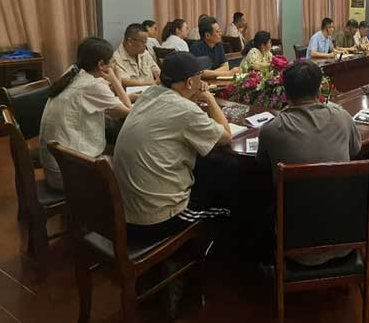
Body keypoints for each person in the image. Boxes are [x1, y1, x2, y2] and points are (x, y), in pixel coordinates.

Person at [113, 52, 236, 242]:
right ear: (190, 82)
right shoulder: (184, 110)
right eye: (200, 76)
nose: (202, 81)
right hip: (157, 219)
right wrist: (208, 98)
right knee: (232, 202)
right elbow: (226, 137)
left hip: (125, 212)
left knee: (207, 167)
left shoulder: (148, 95)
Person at [257, 60, 362, 266]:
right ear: (319, 90)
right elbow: (355, 151)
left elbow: (262, 163)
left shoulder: (271, 129)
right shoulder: (341, 117)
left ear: (285, 93)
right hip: (347, 237)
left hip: (296, 247)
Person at [40, 37, 131, 189]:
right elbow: (128, 112)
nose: (115, 65)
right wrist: (115, 80)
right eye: (113, 61)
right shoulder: (92, 85)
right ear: (101, 65)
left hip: (57, 164)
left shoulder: (73, 72)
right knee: (128, 167)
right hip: (66, 175)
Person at [114, 23, 161, 87]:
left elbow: (157, 72)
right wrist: (151, 83)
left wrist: (159, 77)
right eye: (143, 42)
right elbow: (123, 81)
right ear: (130, 41)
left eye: (146, 42)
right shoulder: (116, 58)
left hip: (151, 90)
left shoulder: (145, 53)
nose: (145, 45)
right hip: (133, 92)